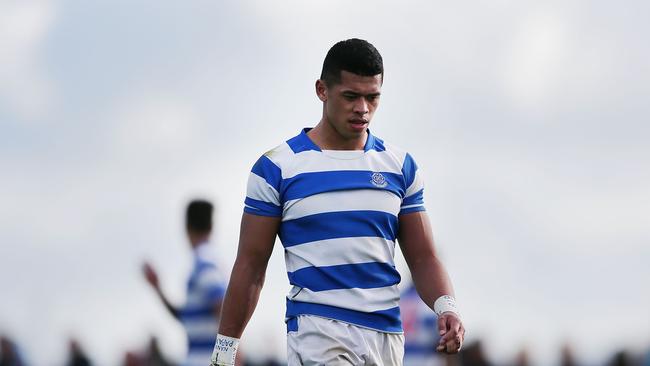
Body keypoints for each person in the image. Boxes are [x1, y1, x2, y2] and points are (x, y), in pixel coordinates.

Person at [210, 38, 464, 366]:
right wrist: (225, 349)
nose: (362, 108)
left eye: (372, 97)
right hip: (318, 330)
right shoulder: (277, 168)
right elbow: (251, 264)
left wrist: (447, 307)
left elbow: (424, 257)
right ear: (322, 90)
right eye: (351, 96)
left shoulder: (399, 167)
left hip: (386, 336)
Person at [143, 199, 227, 366]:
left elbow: (222, 307)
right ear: (211, 227)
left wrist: (228, 357)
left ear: (187, 228)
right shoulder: (204, 263)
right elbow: (185, 317)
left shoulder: (204, 263)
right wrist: (158, 288)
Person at [400, 283, 443, 366]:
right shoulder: (431, 302)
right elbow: (443, 339)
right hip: (424, 360)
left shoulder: (400, 298)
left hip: (400, 360)